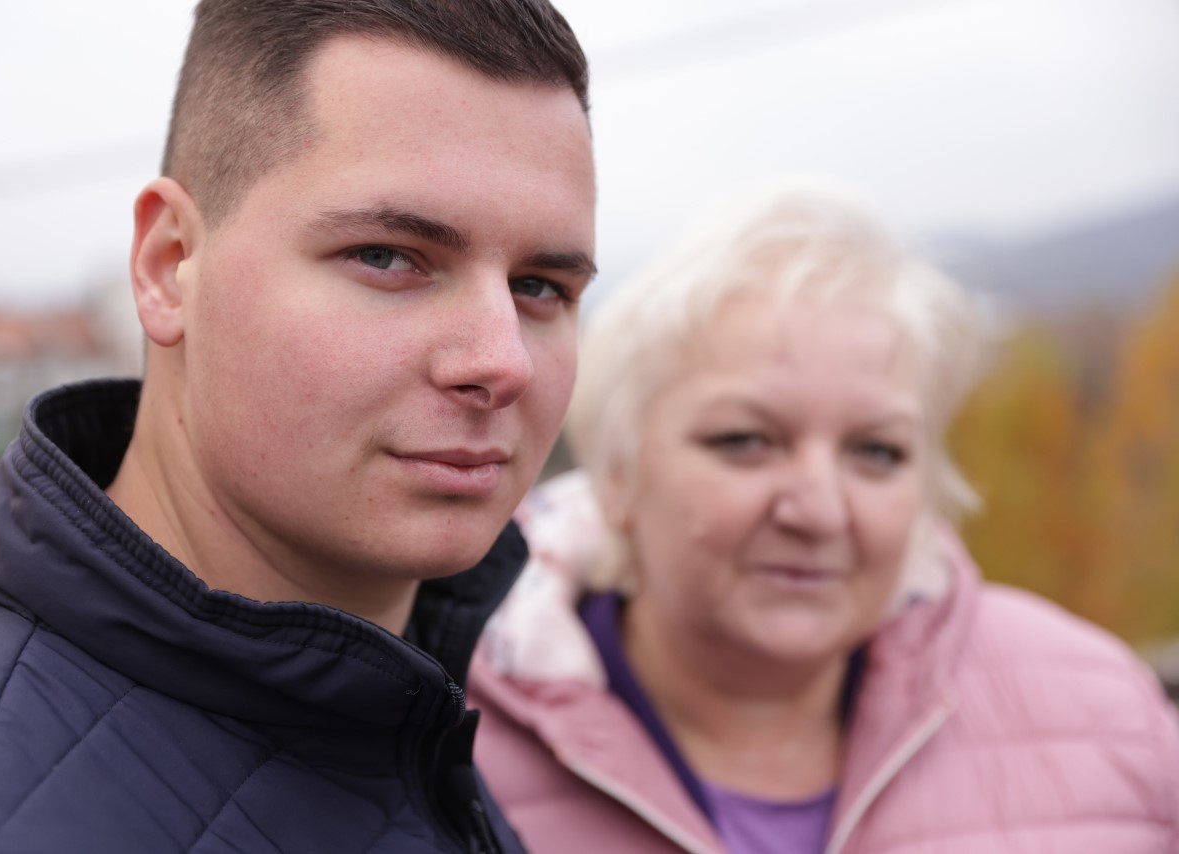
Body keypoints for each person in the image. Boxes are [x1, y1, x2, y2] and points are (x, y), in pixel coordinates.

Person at [0, 1, 596, 851]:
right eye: (386, 256)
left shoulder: (408, 713)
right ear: (168, 267)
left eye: (541, 287)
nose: (503, 360)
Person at [469, 183, 1179, 853]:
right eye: (745, 441)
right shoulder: (437, 744)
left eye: (876, 451)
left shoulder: (1105, 712)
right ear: (617, 474)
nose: (820, 510)